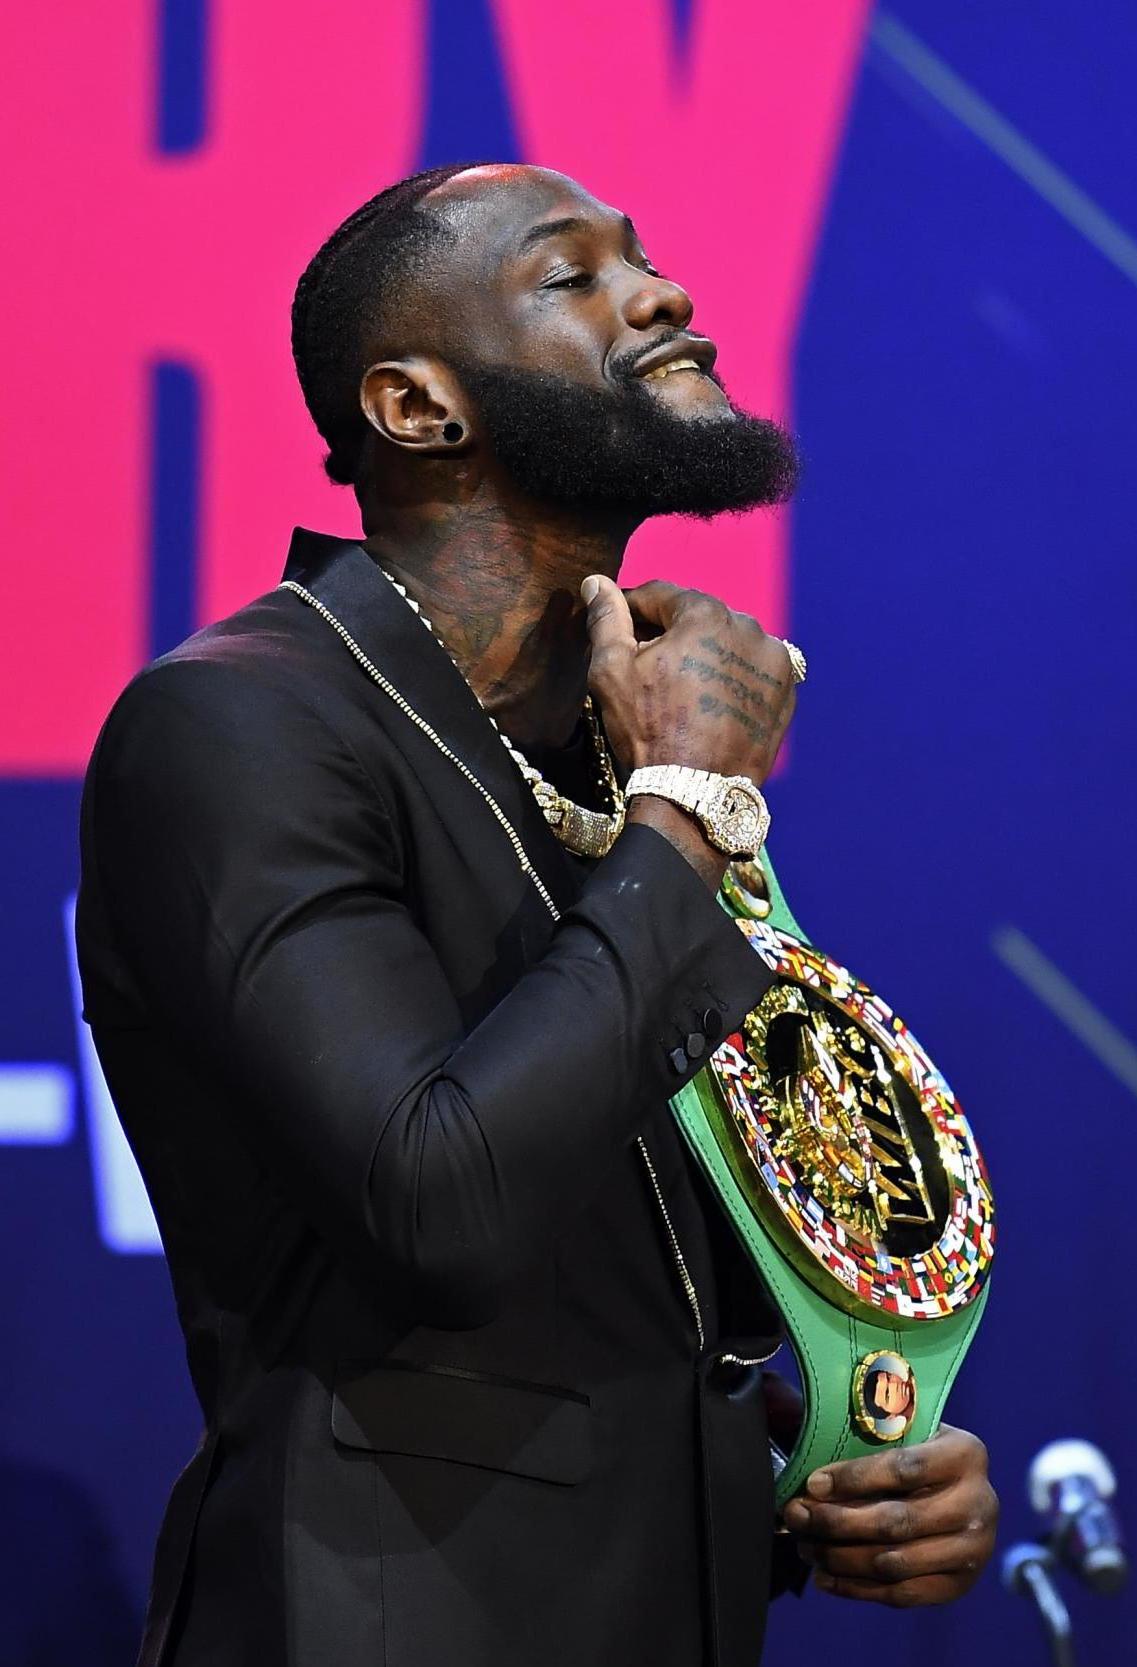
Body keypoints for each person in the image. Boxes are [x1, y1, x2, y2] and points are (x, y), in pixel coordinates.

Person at [75, 162, 995, 1667]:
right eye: (572, 277)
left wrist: (823, 1456)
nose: (666, 293)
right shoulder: (240, 725)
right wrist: (696, 805)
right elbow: (442, 1204)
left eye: (644, 254)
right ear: (416, 408)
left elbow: (615, 1295)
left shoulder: (611, 749)